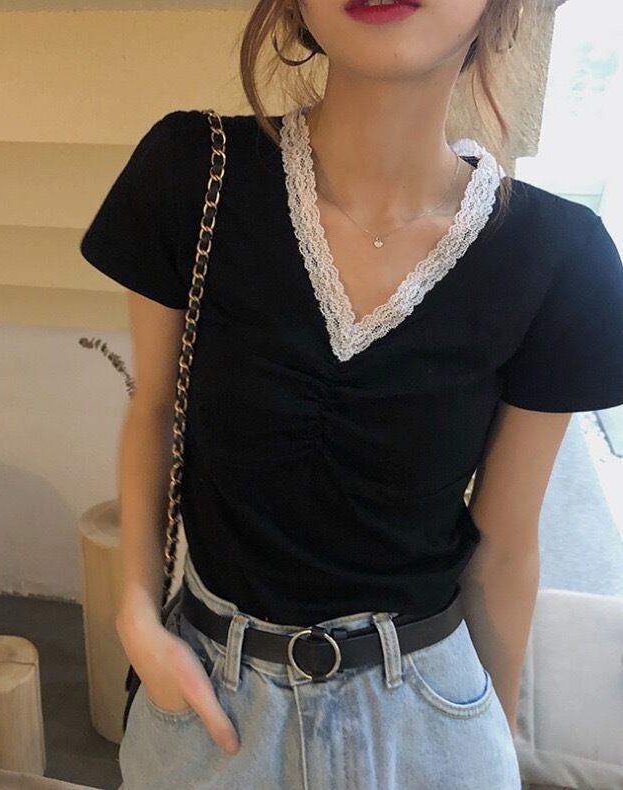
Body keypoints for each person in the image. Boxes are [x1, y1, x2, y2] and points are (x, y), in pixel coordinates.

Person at [79, 1, 623, 787]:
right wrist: (136, 614)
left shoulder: (560, 258)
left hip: (429, 721)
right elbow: (156, 411)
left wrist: (492, 745)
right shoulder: (193, 173)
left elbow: (504, 546)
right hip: (209, 708)